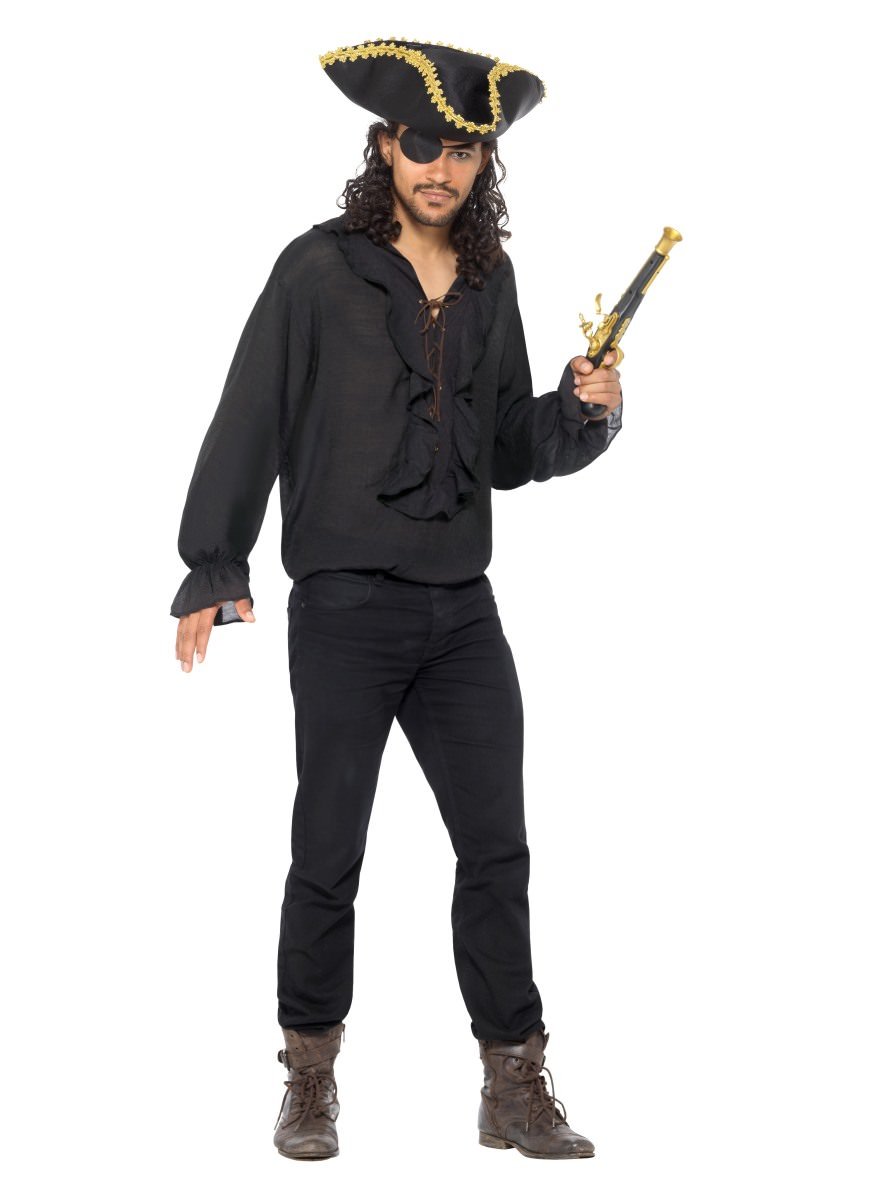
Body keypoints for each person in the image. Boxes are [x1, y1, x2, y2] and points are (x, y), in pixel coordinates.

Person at [170, 37, 623, 1161]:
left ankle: (513, 1081)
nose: (442, 169)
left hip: (462, 611)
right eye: (425, 146)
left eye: (465, 152)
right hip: (345, 610)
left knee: (497, 848)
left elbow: (506, 447)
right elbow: (250, 412)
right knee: (328, 848)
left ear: (483, 165)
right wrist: (215, 562)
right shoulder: (316, 270)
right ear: (385, 146)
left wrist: (583, 409)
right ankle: (309, 1078)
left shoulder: (489, 279)